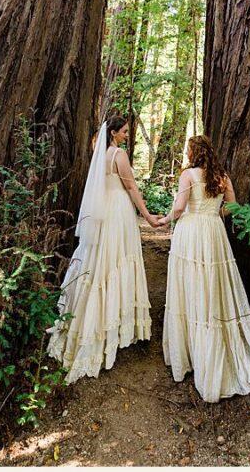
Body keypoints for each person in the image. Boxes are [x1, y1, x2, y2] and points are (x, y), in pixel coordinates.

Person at [157, 134, 250, 402]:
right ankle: (212, 348)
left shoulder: (188, 175)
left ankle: (191, 354)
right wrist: (214, 214)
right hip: (213, 232)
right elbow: (233, 206)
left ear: (193, 153)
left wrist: (164, 220)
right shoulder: (221, 175)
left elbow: (179, 208)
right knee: (213, 282)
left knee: (190, 284)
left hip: (190, 233)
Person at [47, 116, 163, 383]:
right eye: (123, 132)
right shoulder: (118, 155)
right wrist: (146, 216)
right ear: (112, 133)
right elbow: (131, 187)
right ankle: (104, 330)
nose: (126, 135)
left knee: (101, 263)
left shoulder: (101, 156)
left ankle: (96, 325)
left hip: (106, 214)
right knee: (114, 263)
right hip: (118, 214)